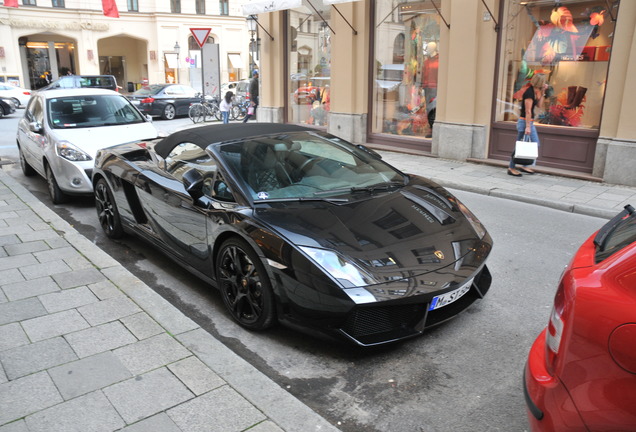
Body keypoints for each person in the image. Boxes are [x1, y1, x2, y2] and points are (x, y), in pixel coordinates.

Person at [508, 73, 548, 177]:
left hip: (529, 122)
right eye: (544, 81)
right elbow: (528, 111)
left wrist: (543, 92)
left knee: (533, 143)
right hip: (524, 122)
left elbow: (539, 105)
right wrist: (528, 126)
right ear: (540, 82)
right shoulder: (529, 93)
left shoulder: (536, 92)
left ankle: (524, 165)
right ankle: (511, 167)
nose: (545, 83)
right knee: (520, 145)